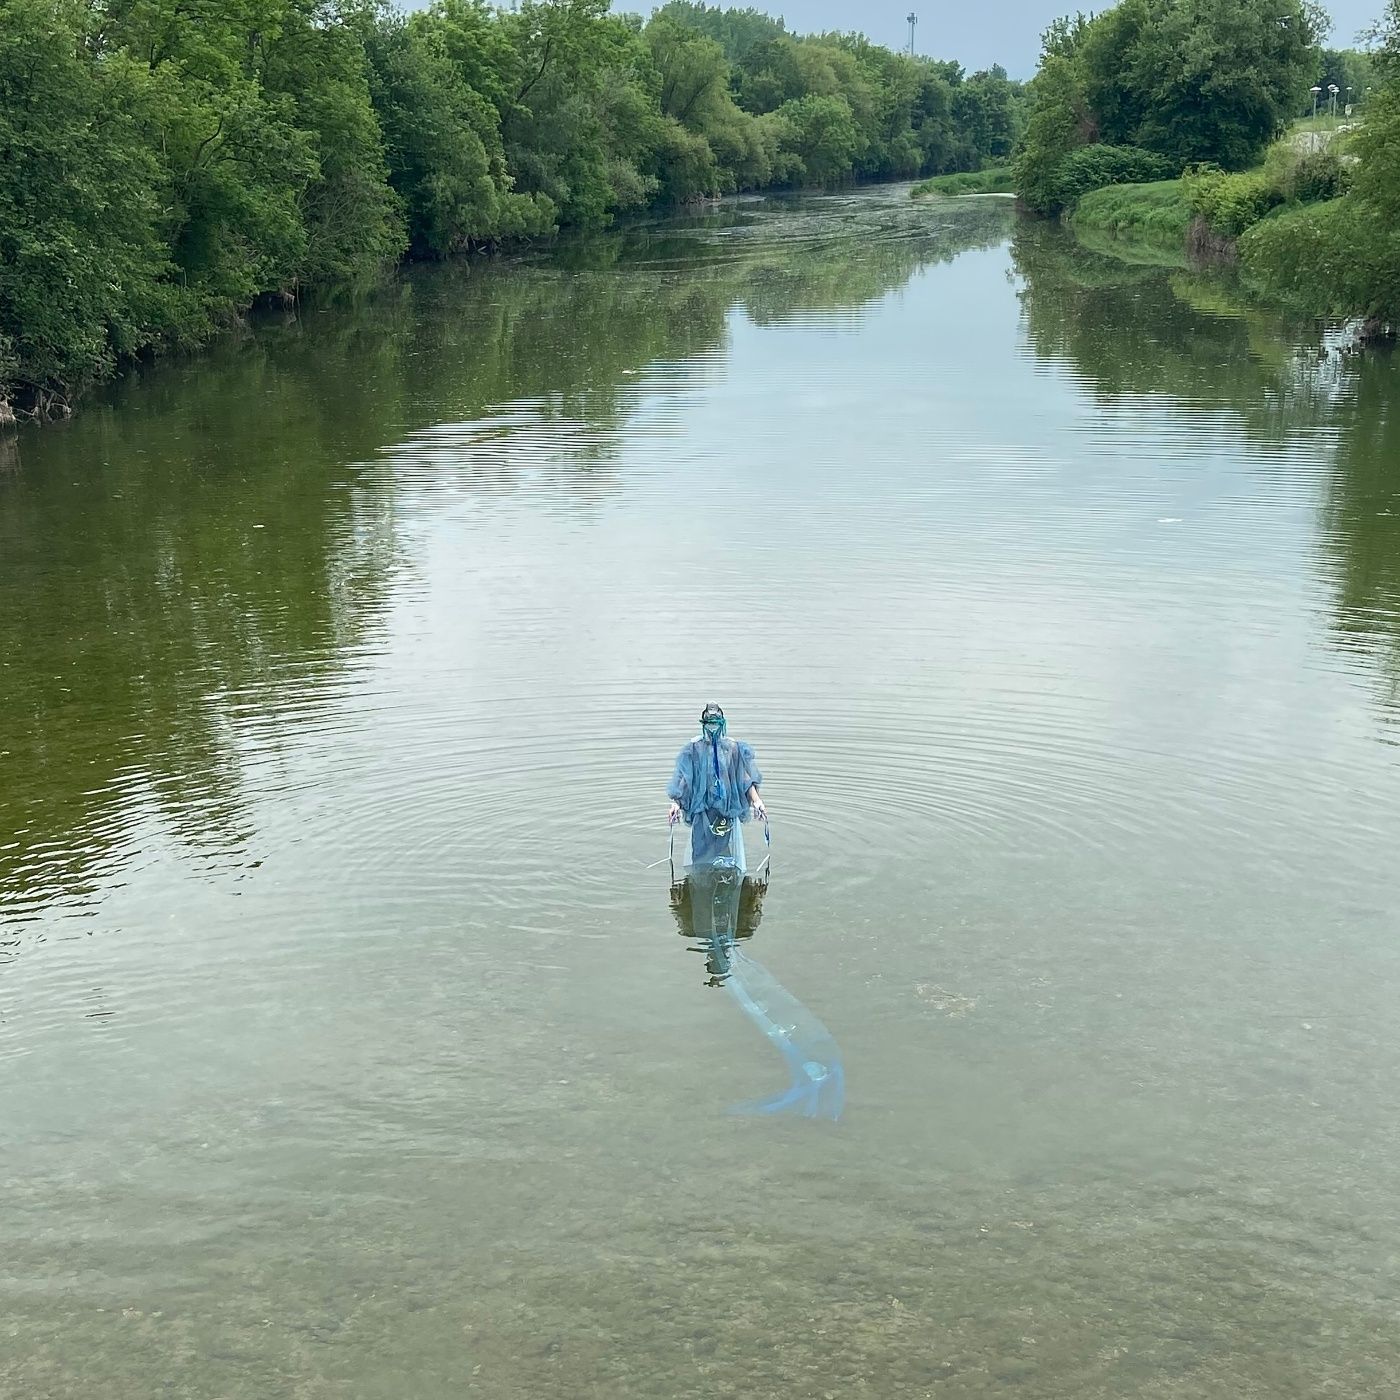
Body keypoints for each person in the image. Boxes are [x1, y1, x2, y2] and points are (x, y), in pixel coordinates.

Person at [666, 703, 766, 870]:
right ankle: (701, 885)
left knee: (723, 855)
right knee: (700, 852)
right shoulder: (693, 749)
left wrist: (757, 801)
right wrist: (676, 804)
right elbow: (685, 780)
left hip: (725, 810)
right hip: (702, 810)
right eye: (709, 724)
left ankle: (723, 886)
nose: (712, 729)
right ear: (703, 725)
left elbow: (744, 779)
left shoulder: (733, 748)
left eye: (716, 724)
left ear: (723, 724)